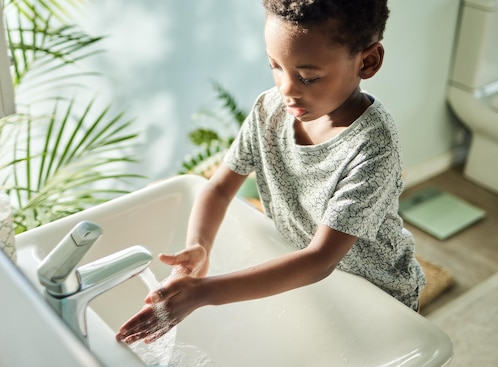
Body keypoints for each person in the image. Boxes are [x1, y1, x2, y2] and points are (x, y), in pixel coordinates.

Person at [116, 0, 426, 345]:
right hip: (314, 280)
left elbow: (320, 259)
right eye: (275, 66)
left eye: (308, 77)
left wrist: (202, 294)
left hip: (376, 293)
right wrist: (199, 246)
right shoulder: (270, 110)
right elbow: (218, 189)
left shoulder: (373, 146)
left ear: (367, 62)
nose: (286, 88)